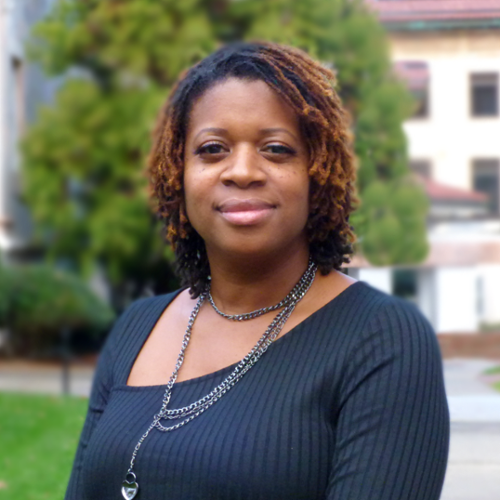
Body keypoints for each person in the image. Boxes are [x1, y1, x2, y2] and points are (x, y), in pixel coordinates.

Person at [65, 42, 449, 500]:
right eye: (212, 149)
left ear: (317, 173)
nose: (242, 171)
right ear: (179, 173)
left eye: (276, 149)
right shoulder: (137, 328)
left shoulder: (383, 338)